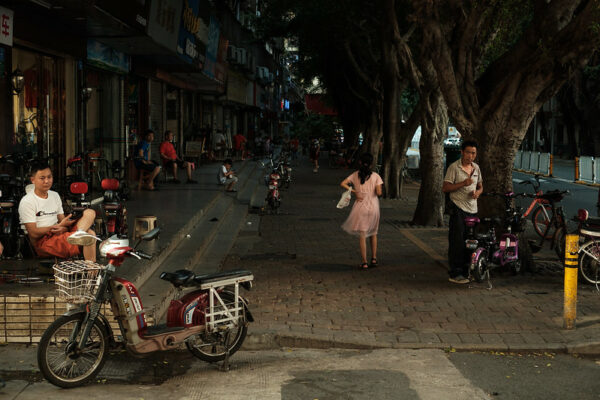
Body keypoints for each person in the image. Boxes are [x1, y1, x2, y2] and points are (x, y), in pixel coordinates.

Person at [18, 161, 97, 262]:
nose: (47, 181)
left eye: (49, 177)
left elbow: (62, 221)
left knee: (90, 212)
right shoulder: (27, 201)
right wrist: (56, 227)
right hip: (43, 242)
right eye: (42, 178)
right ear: (33, 180)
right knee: (90, 234)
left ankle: (78, 234)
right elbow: (33, 233)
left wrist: (64, 226)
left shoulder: (54, 195)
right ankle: (92, 272)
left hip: (58, 233)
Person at [442, 140, 483, 284]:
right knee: (457, 241)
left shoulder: (476, 168)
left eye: (473, 153)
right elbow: (445, 188)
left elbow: (480, 186)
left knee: (470, 241)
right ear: (462, 152)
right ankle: (455, 272)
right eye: (468, 152)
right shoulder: (454, 167)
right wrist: (462, 184)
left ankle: (468, 270)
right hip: (458, 209)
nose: (470, 156)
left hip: (473, 210)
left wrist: (478, 193)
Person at [340, 153, 384, 269]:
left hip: (360, 207)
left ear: (360, 162)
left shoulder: (355, 175)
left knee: (362, 235)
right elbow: (379, 193)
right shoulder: (376, 176)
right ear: (371, 164)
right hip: (373, 207)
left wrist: (354, 191)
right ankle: (374, 259)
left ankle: (364, 262)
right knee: (373, 233)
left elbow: (343, 183)